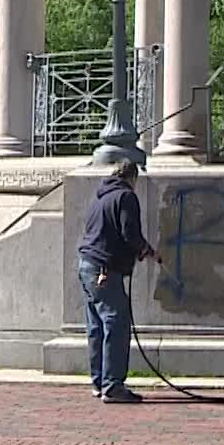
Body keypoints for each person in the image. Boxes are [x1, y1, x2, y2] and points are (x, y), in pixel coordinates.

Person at [75, 160, 156, 403]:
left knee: (96, 326)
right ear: (133, 178)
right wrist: (146, 250)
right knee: (116, 323)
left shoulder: (100, 197)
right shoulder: (126, 197)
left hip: (87, 265)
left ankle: (99, 381)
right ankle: (113, 385)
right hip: (105, 268)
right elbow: (129, 232)